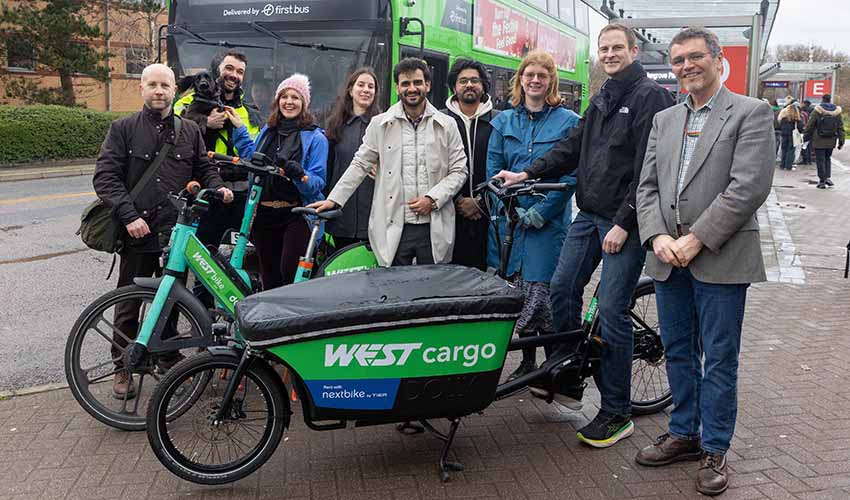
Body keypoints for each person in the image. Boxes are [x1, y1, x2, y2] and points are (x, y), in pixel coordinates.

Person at [495, 23, 674, 447]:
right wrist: (527, 173)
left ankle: (616, 411)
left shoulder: (650, 96)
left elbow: (649, 168)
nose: (610, 54)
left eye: (617, 48)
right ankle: (568, 374)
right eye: (604, 48)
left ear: (633, 50)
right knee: (561, 289)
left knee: (612, 310)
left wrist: (624, 222)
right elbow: (572, 147)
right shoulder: (603, 96)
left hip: (622, 223)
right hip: (589, 215)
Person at [635, 27, 775, 496]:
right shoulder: (665, 119)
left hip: (719, 257)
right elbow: (647, 186)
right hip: (666, 257)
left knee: (718, 358)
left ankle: (714, 447)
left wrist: (695, 239)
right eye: (678, 60)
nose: (686, 66)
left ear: (717, 60)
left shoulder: (751, 112)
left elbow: (748, 187)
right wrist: (656, 236)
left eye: (695, 57)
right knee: (677, 351)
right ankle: (684, 433)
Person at [93, 64, 233, 399]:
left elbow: (205, 167)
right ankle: (123, 366)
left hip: (176, 234)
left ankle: (167, 358)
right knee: (128, 304)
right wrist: (128, 217)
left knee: (173, 300)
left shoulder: (189, 131)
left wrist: (219, 187)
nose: (159, 91)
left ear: (174, 90)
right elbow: (105, 178)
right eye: (152, 85)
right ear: (142, 88)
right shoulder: (123, 129)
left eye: (165, 86)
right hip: (138, 232)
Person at [307, 58, 467, 267]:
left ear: (427, 85)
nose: (412, 89)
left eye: (417, 83)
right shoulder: (380, 124)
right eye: (405, 84)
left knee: (430, 292)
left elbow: (459, 170)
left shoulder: (447, 125)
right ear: (397, 88)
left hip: (433, 227)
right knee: (394, 291)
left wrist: (433, 199)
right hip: (394, 228)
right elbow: (359, 164)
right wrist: (334, 200)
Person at [486, 50, 579, 380]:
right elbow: (493, 171)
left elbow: (571, 176)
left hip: (548, 226)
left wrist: (540, 212)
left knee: (545, 293)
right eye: (530, 75)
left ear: (551, 80)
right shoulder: (503, 122)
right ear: (520, 80)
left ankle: (553, 365)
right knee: (518, 292)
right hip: (510, 226)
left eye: (542, 75)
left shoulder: (569, 122)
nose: (536, 80)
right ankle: (526, 363)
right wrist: (511, 210)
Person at [236, 74, 328, 289]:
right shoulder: (268, 131)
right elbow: (253, 159)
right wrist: (239, 129)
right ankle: (272, 322)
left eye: (295, 97)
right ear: (277, 101)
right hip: (264, 214)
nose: (289, 102)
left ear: (304, 102)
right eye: (284, 96)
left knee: (290, 272)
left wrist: (299, 174)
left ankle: (294, 320)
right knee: (268, 276)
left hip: (295, 214)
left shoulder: (316, 138)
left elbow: (317, 181)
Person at [174, 50, 262, 247]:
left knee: (237, 255)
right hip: (204, 189)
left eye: (240, 71)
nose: (234, 75)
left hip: (240, 192)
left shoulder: (250, 111)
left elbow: (256, 152)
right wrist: (205, 122)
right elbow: (171, 136)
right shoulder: (186, 103)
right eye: (229, 68)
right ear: (216, 71)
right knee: (199, 252)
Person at [441, 58, 500, 270]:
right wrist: (458, 201)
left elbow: (506, 167)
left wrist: (481, 202)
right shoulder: (440, 121)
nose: (468, 85)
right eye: (462, 80)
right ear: (454, 87)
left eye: (474, 80)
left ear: (483, 85)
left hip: (489, 215)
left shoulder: (499, 121)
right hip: (449, 214)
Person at [323, 67, 381, 250]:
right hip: (341, 217)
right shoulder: (335, 125)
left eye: (371, 86)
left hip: (372, 216)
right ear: (350, 90)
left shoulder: (384, 125)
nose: (366, 90)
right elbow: (329, 168)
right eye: (361, 85)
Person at [804, 93, 845, 189]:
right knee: (827, 158)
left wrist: (806, 137)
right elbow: (840, 127)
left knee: (820, 159)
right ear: (830, 99)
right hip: (831, 139)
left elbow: (810, 125)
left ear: (822, 99)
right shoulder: (837, 112)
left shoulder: (817, 111)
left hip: (819, 139)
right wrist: (841, 141)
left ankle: (822, 180)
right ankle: (827, 178)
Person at [777, 101, 803, 170]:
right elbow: (800, 128)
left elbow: (780, 127)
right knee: (791, 150)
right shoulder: (796, 119)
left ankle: (782, 165)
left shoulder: (783, 119)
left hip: (784, 134)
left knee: (784, 149)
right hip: (793, 135)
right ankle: (788, 165)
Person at [799, 99, 814, 165]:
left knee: (803, 146)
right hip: (811, 130)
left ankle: (805, 160)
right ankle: (809, 160)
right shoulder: (813, 110)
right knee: (809, 146)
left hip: (805, 130)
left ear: (804, 104)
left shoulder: (803, 111)